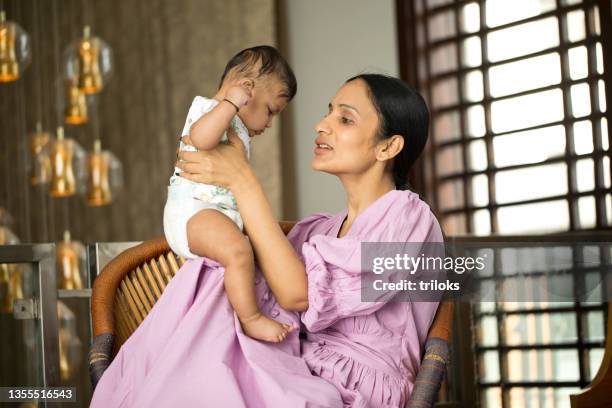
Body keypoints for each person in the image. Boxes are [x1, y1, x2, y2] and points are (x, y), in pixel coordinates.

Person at [90, 73, 443, 408]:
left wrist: (243, 181)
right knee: (216, 272)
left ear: (389, 147)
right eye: (328, 111)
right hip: (298, 370)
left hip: (357, 393)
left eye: (345, 119)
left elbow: (298, 294)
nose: (322, 125)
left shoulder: (409, 218)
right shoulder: (316, 231)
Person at [163, 45, 297, 342]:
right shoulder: (212, 108)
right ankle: (251, 318)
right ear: (246, 88)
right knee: (239, 252)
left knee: (247, 249)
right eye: (270, 111)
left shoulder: (235, 126)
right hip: (193, 211)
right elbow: (200, 138)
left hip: (214, 213)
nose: (270, 123)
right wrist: (230, 103)